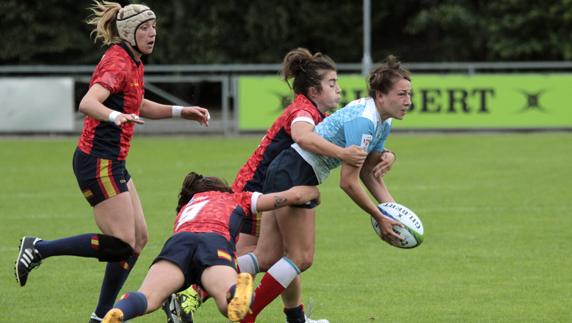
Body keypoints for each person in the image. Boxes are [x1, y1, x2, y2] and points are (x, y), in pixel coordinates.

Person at [13, 2, 210, 322]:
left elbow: (137, 102)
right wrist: (115, 116)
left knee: (138, 239)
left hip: (113, 162)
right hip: (97, 162)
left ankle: (100, 316)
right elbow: (88, 102)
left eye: (154, 26)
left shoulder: (133, 62)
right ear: (130, 32)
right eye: (145, 27)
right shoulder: (118, 62)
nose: (153, 33)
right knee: (122, 244)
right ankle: (39, 248)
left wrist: (180, 112)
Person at [163, 48, 373, 323]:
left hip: (264, 186)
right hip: (258, 189)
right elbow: (302, 135)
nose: (339, 89)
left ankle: (293, 317)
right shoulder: (303, 110)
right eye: (332, 84)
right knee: (262, 258)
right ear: (313, 90)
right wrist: (343, 154)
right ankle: (187, 296)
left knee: (280, 257)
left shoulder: (314, 112)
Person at [238, 55, 411, 322]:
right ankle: (247, 316)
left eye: (409, 94)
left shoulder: (382, 122)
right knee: (301, 257)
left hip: (287, 170)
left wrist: (393, 212)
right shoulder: (365, 120)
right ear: (380, 95)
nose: (408, 101)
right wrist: (378, 216)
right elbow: (348, 181)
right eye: (401, 94)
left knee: (267, 256)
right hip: (294, 172)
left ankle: (197, 283)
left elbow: (368, 173)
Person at [100, 171, 321, 323]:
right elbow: (289, 197)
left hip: (179, 242)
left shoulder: (187, 208)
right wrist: (311, 192)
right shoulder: (236, 198)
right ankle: (238, 289)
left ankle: (119, 310)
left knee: (149, 298)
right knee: (230, 307)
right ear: (222, 188)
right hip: (214, 243)